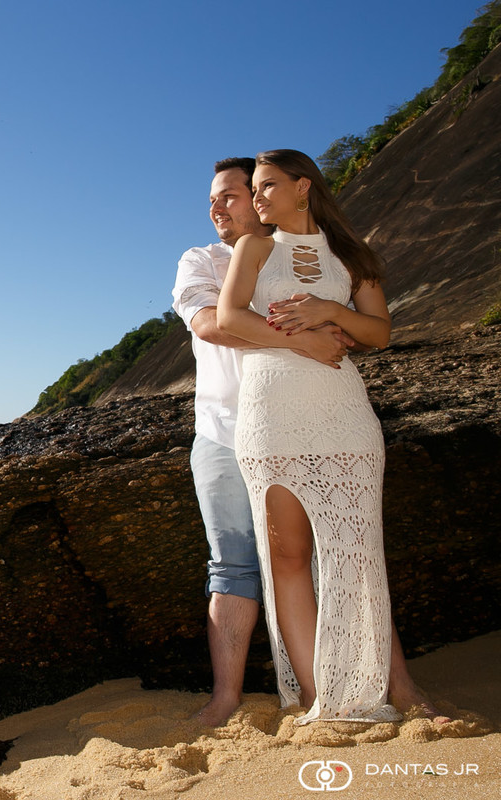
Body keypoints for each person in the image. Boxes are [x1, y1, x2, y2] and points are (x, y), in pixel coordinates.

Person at [215, 149, 440, 723]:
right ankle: (319, 700)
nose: (257, 197)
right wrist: (300, 337)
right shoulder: (255, 247)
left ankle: (391, 690)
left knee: (358, 552)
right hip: (271, 415)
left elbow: (380, 332)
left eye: (267, 186)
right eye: (255, 189)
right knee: (288, 554)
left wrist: (323, 311)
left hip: (343, 413)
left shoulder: (352, 254)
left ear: (303, 188)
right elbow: (230, 316)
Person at [172, 157, 351, 725]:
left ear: (259, 196)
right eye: (212, 199)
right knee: (232, 566)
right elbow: (209, 324)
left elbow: (347, 327)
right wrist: (304, 340)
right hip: (223, 432)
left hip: (297, 423)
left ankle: (362, 685)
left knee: (332, 555)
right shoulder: (201, 260)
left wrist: (321, 331)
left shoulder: (299, 252)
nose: (217, 207)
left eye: (230, 194)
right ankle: (227, 696)